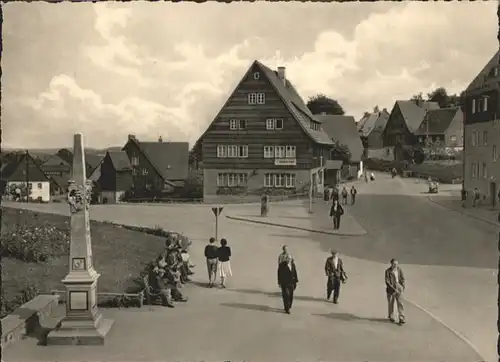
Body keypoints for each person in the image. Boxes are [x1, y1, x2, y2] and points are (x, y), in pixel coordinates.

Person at [385, 258, 405, 325]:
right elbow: (387, 282)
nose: (396, 265)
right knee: (391, 303)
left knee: (400, 303)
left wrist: (402, 286)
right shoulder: (388, 271)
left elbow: (402, 278)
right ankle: (391, 316)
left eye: (397, 264)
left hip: (398, 287)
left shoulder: (399, 270)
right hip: (391, 289)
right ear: (391, 264)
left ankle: (401, 318)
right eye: (394, 264)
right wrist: (393, 289)